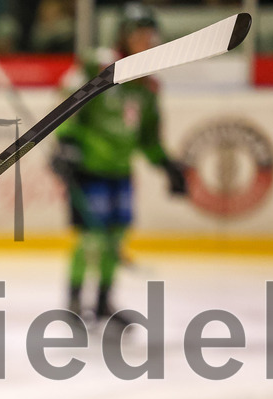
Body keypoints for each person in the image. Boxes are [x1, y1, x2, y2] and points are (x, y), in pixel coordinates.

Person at [51, 3, 188, 321]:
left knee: (114, 238)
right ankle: (74, 301)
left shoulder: (148, 86)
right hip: (88, 167)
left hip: (120, 171)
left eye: (149, 33)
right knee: (89, 239)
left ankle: (101, 301)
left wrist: (166, 165)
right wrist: (67, 144)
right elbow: (68, 104)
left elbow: (148, 139)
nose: (145, 39)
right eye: (138, 33)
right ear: (123, 35)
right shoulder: (97, 66)